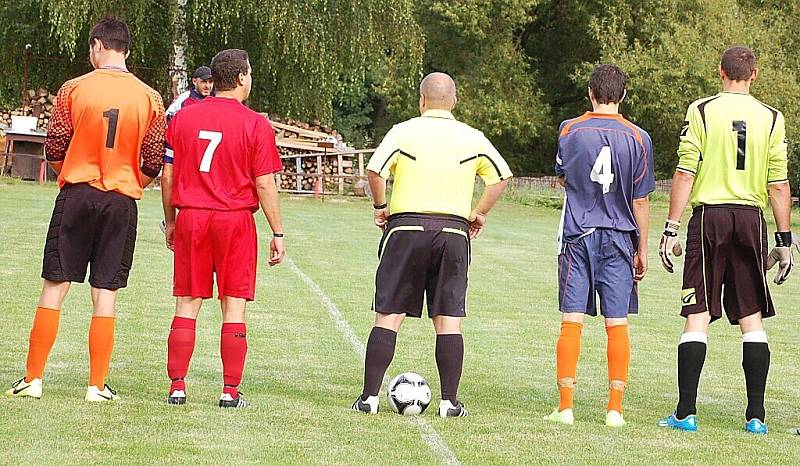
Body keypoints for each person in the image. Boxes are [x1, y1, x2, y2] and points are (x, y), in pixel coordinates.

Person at [5, 17, 166, 401]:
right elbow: (152, 161)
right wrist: (127, 183)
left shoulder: (74, 89)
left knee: (55, 284)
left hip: (78, 193)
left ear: (97, 45)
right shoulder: (151, 97)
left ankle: (34, 378)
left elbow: (55, 147)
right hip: (122, 199)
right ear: (126, 48)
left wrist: (75, 175)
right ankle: (96, 385)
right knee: (106, 291)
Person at [351, 72, 512, 417]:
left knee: (389, 315)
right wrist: (478, 213)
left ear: (421, 100)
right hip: (453, 232)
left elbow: (376, 170)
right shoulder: (472, 137)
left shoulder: (403, 131)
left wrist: (381, 207)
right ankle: (449, 402)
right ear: (454, 101)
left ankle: (369, 399)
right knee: (449, 319)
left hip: (405, 227)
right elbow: (501, 177)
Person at [658, 46, 792, 435]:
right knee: (751, 318)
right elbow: (779, 184)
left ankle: (685, 413)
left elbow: (685, 171)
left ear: (720, 72)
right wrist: (784, 239)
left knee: (697, 314)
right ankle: (756, 417)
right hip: (750, 218)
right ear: (755, 74)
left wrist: (671, 227)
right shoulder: (772, 118)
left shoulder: (701, 110)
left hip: (709, 217)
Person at [161, 48, 285, 408]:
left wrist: (171, 220)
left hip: (192, 217)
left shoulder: (182, 118)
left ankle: (178, 387)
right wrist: (277, 232)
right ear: (242, 78)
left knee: (187, 302)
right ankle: (229, 392)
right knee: (233, 306)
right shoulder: (255, 124)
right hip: (234, 221)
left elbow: (168, 175)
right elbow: (264, 183)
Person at [543, 65, 654, 428]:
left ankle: (565, 407)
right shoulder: (639, 138)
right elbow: (640, 200)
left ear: (590, 92)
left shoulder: (570, 129)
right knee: (617, 323)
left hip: (578, 235)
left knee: (571, 321)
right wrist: (643, 248)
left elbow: (564, 178)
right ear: (622, 95)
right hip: (621, 238)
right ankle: (614, 410)